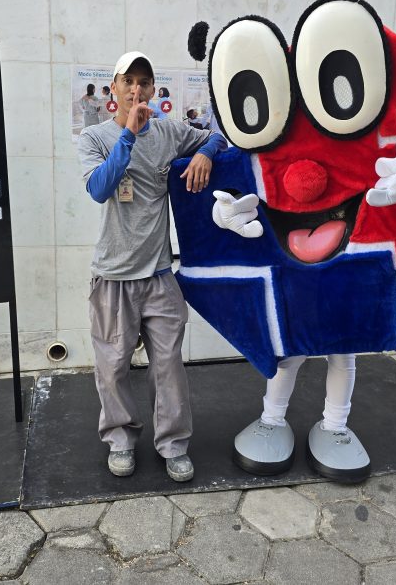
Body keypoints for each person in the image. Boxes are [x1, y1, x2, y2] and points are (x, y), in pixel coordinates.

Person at [78, 51, 227, 482]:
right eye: (128, 81)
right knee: (113, 366)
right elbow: (100, 189)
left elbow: (218, 135)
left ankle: (174, 444)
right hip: (113, 276)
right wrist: (128, 134)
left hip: (159, 274)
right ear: (114, 88)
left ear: (153, 89)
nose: (137, 89)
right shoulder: (95, 137)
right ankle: (121, 440)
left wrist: (206, 153)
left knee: (169, 366)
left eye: (144, 82)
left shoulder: (168, 132)